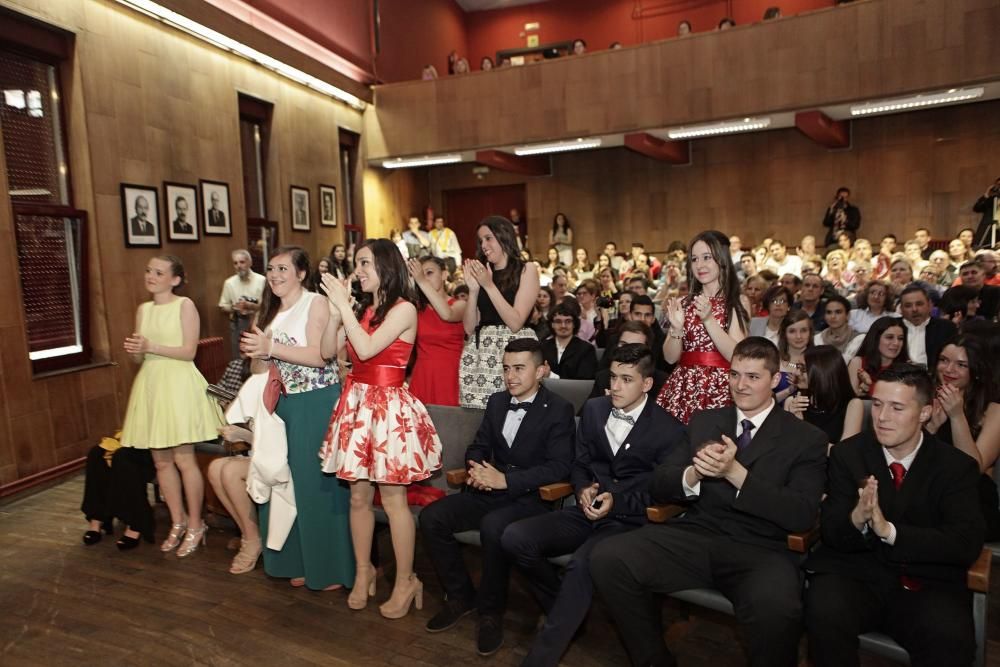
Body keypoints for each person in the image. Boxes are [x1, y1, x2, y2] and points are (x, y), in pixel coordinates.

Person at [591, 337, 828, 667]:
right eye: (734, 375)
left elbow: (801, 513)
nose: (740, 385)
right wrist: (694, 474)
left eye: (753, 377)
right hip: (698, 535)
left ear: (775, 380)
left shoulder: (806, 438)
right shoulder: (706, 421)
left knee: (776, 607)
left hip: (761, 548)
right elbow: (660, 481)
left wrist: (736, 473)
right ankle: (653, 659)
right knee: (608, 558)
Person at [502, 344, 688, 667]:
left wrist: (615, 503)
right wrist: (582, 487)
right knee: (515, 537)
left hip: (630, 522)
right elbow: (579, 463)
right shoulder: (594, 410)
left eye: (626, 379)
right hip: (586, 511)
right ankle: (568, 608)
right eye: (613, 377)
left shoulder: (669, 430)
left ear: (646, 384)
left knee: (581, 566)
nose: (615, 386)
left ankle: (540, 659)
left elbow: (665, 494)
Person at [803, 365, 985, 667]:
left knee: (949, 638)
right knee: (822, 608)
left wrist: (889, 532)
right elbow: (833, 530)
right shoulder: (849, 454)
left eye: (897, 407)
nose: (882, 417)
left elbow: (964, 542)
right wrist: (857, 519)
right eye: (876, 404)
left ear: (925, 413)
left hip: (927, 584)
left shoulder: (955, 467)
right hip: (857, 574)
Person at [420, 339, 575, 656]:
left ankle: (491, 614)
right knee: (432, 517)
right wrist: (476, 469)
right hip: (488, 490)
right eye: (506, 368)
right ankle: (461, 596)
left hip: (529, 499)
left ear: (541, 370)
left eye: (519, 368)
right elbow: (478, 445)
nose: (511, 376)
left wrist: (507, 481)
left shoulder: (559, 409)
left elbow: (560, 467)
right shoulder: (497, 402)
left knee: (493, 527)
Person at [320, 239, 443, 616]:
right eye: (357, 264)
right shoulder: (364, 308)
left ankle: (406, 581)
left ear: (386, 266)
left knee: (393, 500)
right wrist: (335, 314)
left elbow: (370, 349)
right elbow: (328, 351)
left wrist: (344, 307)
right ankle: (364, 572)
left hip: (388, 409)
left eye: (364, 263)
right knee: (358, 497)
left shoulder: (405, 310)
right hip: (357, 406)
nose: (358, 271)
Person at [239, 246, 352, 589]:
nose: (274, 275)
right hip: (281, 404)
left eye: (283, 269)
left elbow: (322, 356)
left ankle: (329, 567)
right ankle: (295, 560)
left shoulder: (315, 303)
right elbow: (260, 366)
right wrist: (258, 354)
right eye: (271, 269)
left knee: (314, 486)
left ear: (302, 274)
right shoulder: (268, 311)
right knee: (281, 483)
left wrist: (271, 348)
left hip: (314, 401)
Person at [117, 255, 224, 554]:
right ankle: (176, 522)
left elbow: (189, 352)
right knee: (161, 461)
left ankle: (195, 523)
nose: (150, 275)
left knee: (183, 459)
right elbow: (141, 357)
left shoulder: (184, 305)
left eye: (158, 272)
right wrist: (137, 351)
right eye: (148, 270)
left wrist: (151, 346)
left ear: (175, 280)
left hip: (177, 383)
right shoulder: (143, 309)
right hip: (151, 383)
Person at [658, 231, 750, 424]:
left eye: (707, 257)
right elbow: (670, 358)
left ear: (721, 259)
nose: (699, 265)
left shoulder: (736, 301)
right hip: (683, 387)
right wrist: (676, 329)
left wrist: (708, 320)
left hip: (721, 387)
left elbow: (737, 356)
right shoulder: (683, 303)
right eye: (694, 259)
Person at [460, 216, 540, 409]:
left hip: (515, 350)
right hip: (481, 354)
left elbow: (516, 322)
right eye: (481, 241)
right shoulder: (482, 274)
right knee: (481, 418)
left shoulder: (526, 269)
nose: (484, 245)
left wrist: (489, 285)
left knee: (516, 412)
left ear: (504, 236)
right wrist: (473, 289)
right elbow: (470, 328)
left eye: (488, 238)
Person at [927, 336, 1000, 539]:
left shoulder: (993, 410)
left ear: (975, 371)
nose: (949, 370)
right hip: (927, 490)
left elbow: (974, 469)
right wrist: (931, 426)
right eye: (944, 360)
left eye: (961, 365)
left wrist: (957, 416)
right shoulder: (923, 396)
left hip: (971, 498)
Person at [407, 256, 466, 406]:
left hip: (451, 376)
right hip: (423, 377)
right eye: (421, 273)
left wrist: (421, 280)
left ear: (445, 274)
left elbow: (447, 314)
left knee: (449, 426)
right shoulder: (415, 309)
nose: (425, 277)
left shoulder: (460, 305)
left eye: (429, 273)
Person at [80, 436, 156, 548]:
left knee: (123, 458)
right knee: (96, 452)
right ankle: (98, 517)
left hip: (158, 442)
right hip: (136, 437)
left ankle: (137, 522)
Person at [206, 424, 260, 574]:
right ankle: (249, 535)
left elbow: (279, 442)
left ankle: (252, 540)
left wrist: (245, 435)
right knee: (215, 468)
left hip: (282, 458)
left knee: (230, 471)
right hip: (258, 453)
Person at [784, 344, 863, 445]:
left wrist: (803, 429)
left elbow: (845, 453)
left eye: (803, 369)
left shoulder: (852, 405)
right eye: (797, 367)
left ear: (822, 372)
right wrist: (795, 422)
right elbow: (786, 447)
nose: (796, 372)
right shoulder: (792, 402)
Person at [590, 320, 668, 399]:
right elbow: (588, 410)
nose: (627, 350)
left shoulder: (662, 382)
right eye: (623, 344)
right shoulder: (603, 378)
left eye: (635, 346)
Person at [218, 249, 266, 359]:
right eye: (235, 263)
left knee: (259, 357)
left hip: (259, 323)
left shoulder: (262, 280)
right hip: (238, 323)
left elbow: (267, 306)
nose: (239, 266)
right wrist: (235, 308)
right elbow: (223, 306)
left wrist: (251, 306)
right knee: (239, 358)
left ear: (250, 263)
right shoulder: (229, 283)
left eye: (242, 262)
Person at [847, 316, 909, 396]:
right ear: (875, 339)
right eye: (889, 337)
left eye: (900, 338)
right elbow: (849, 401)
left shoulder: (907, 367)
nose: (896, 343)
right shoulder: (858, 363)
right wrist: (864, 389)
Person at [899, 284, 956, 368]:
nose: (914, 309)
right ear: (901, 309)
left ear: (930, 305)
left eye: (919, 304)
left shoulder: (946, 328)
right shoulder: (892, 326)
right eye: (908, 306)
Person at [541, 299, 598, 380]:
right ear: (552, 324)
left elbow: (585, 382)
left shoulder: (586, 349)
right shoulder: (542, 347)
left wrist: (551, 376)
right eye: (558, 321)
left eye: (568, 321)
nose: (563, 326)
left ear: (574, 324)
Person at [774, 309, 814, 405]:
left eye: (803, 330)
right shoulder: (773, 360)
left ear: (810, 333)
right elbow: (763, 402)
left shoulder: (820, 360)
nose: (799, 336)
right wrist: (790, 390)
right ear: (784, 334)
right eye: (792, 331)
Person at [972, 176, 1000, 249]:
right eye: (998, 185)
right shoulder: (992, 200)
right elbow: (976, 208)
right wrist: (986, 194)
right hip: (987, 231)